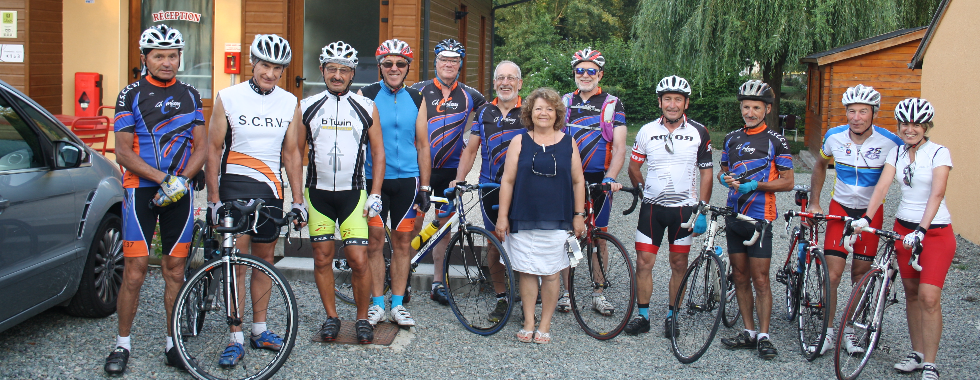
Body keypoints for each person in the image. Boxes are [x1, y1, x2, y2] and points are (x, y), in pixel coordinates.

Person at [104, 24, 206, 375]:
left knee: (175, 269)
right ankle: (122, 344)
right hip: (141, 188)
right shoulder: (130, 94)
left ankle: (173, 344)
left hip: (180, 190)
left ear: (180, 58)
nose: (166, 62)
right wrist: (164, 180)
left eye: (172, 56)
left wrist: (183, 180)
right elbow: (122, 152)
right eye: (159, 56)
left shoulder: (191, 95)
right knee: (134, 271)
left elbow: (201, 147)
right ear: (145, 58)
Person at [204, 34, 307, 367]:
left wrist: (298, 200)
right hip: (234, 188)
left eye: (278, 68)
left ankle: (259, 329)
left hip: (271, 191)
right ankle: (235, 336)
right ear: (253, 62)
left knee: (265, 260)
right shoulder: (228, 97)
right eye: (265, 65)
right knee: (236, 263)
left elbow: (292, 153)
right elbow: (213, 149)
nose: (271, 74)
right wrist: (213, 199)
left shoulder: (289, 102)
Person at [853, 98, 953, 380]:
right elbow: (882, 187)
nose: (910, 129)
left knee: (929, 297)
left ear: (926, 127)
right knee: (911, 293)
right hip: (903, 230)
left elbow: (937, 193)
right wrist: (866, 218)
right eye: (905, 124)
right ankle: (917, 353)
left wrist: (921, 229)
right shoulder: (896, 152)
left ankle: (931, 363)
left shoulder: (939, 153)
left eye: (917, 124)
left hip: (934, 233)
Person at [301, 41, 386, 344]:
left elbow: (378, 152)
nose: (337, 75)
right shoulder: (307, 106)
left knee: (358, 259)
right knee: (321, 257)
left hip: (354, 193)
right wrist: (297, 199)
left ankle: (362, 318)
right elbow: (295, 152)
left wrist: (376, 192)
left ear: (352, 74)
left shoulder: (366, 107)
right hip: (317, 194)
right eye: (332, 69)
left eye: (344, 70)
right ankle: (332, 317)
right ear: (322, 70)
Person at [808, 84, 902, 355]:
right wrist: (814, 201)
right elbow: (820, 164)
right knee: (832, 274)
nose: (856, 117)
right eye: (851, 111)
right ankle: (827, 332)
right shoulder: (833, 136)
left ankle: (848, 330)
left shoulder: (890, 142)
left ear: (874, 113)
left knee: (860, 275)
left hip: (871, 214)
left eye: (863, 111)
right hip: (841, 210)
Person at [495, 87, 586, 344]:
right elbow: (508, 181)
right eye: (538, 108)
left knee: (551, 273)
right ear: (529, 113)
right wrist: (503, 216)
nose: (543, 113)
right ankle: (528, 321)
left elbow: (578, 181)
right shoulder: (519, 141)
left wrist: (578, 215)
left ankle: (545, 323)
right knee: (526, 271)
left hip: (558, 218)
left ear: (557, 113)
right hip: (523, 215)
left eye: (549, 109)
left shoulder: (568, 142)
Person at [625, 75, 713, 337]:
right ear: (660, 102)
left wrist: (702, 208)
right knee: (644, 262)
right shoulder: (646, 131)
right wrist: (643, 191)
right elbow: (634, 167)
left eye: (677, 99)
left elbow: (707, 172)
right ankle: (643, 316)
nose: (672, 104)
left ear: (686, 103)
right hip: (652, 208)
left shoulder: (699, 131)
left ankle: (672, 316)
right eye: (667, 99)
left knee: (678, 263)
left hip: (684, 210)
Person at [718, 80, 794, 360]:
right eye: (746, 107)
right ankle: (749, 332)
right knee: (740, 276)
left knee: (760, 279)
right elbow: (723, 170)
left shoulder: (776, 141)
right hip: (734, 215)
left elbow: (788, 182)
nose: (750, 112)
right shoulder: (731, 138)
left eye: (756, 108)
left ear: (767, 109)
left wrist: (756, 186)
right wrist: (724, 179)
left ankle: (764, 336)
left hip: (759, 218)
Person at [358, 39, 431, 327]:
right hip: (373, 180)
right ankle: (377, 303)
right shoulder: (367, 94)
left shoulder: (416, 98)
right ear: (380, 66)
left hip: (408, 181)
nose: (394, 68)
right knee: (374, 243)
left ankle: (397, 304)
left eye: (400, 63)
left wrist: (425, 187)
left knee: (403, 243)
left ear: (407, 67)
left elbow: (423, 145)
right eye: (388, 63)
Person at [409, 38, 486, 305]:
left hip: (452, 171)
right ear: (436, 62)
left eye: (454, 60)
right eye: (444, 59)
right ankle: (403, 277)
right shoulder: (416, 90)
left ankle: (438, 282)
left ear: (460, 64)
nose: (449, 64)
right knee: (413, 224)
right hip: (419, 169)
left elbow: (493, 121)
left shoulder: (472, 96)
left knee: (443, 228)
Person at [452, 60, 526, 323]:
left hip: (522, 189)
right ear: (494, 83)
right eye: (500, 78)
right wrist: (459, 179)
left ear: (519, 83)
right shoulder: (484, 112)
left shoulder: (530, 111)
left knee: (524, 244)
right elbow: (471, 149)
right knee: (494, 244)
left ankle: (528, 299)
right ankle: (501, 297)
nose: (505, 83)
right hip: (489, 187)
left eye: (511, 78)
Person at [556, 47, 627, 313]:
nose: (585, 75)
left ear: (600, 74)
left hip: (599, 179)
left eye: (591, 71)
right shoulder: (564, 102)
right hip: (568, 178)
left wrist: (610, 177)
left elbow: (619, 148)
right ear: (574, 73)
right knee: (567, 235)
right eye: (580, 71)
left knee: (600, 237)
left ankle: (599, 292)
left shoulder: (612, 103)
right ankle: (566, 293)